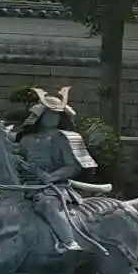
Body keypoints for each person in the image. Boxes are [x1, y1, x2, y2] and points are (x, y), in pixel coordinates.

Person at [10, 86, 98, 254]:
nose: (52, 118)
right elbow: (16, 158)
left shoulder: (63, 138)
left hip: (53, 187)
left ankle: (69, 241)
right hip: (24, 185)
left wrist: (50, 177)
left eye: (56, 114)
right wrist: (18, 163)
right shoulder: (26, 139)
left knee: (47, 205)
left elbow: (72, 166)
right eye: (49, 114)